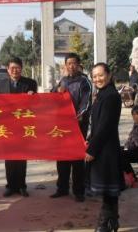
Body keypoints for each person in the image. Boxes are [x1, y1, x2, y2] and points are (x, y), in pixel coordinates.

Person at [85, 63, 124, 232]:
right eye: (94, 76)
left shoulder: (111, 96)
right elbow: (97, 124)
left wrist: (92, 149)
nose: (97, 79)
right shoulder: (102, 94)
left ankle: (104, 225)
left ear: (109, 75)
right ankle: (112, 222)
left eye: (100, 75)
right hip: (102, 146)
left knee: (108, 189)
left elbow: (105, 126)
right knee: (109, 191)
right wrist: (89, 139)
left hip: (106, 150)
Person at [50, 53, 92, 202]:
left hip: (78, 127)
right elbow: (51, 97)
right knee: (62, 158)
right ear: (65, 66)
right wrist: (57, 91)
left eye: (74, 63)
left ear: (79, 65)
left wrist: (78, 116)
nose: (71, 66)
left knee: (77, 159)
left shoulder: (84, 82)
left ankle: (79, 191)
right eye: (69, 63)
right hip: (62, 127)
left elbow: (86, 104)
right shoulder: (63, 81)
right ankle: (62, 188)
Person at [0, 57, 37, 197]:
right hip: (7, 125)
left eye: (17, 67)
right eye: (12, 68)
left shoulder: (30, 83)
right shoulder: (1, 84)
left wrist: (33, 96)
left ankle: (22, 186)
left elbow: (36, 105)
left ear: (21, 68)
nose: (15, 70)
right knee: (9, 157)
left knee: (21, 157)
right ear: (8, 69)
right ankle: (10, 186)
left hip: (23, 126)